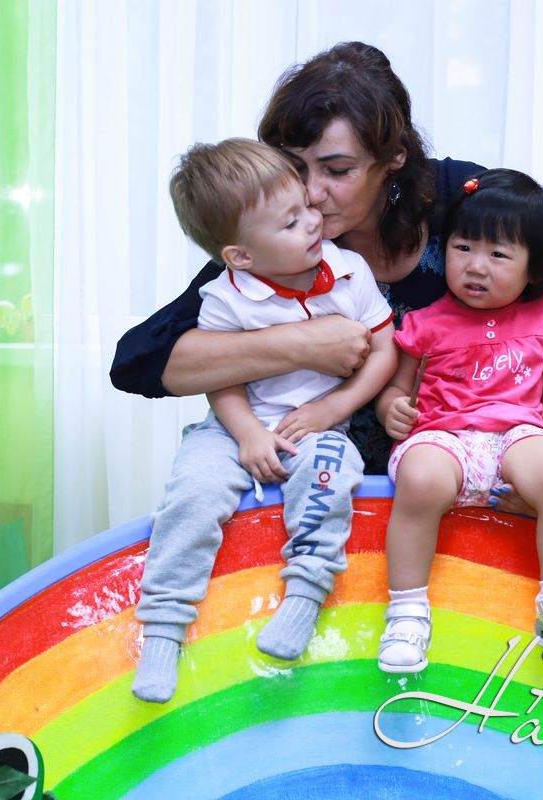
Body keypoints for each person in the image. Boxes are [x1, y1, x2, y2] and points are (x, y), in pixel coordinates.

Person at [109, 41, 543, 501]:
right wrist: (300, 344)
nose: (311, 193)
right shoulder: (283, 238)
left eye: (338, 170)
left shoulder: (461, 197)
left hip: (454, 481)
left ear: (395, 157)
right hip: (316, 483)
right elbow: (141, 361)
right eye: (295, 167)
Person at [132, 139, 397, 703]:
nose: (313, 220)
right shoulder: (224, 297)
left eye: (305, 206)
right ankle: (162, 628)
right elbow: (222, 378)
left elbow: (384, 350)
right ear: (241, 256)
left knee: (331, 478)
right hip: (232, 428)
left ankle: (304, 595)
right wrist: (248, 433)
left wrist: (334, 408)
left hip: (318, 426)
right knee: (193, 493)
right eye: (291, 221)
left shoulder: (349, 271)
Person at [375, 169, 543, 673]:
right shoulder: (425, 322)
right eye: (462, 248)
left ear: (534, 269)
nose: (475, 266)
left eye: (498, 255)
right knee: (420, 480)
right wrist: (391, 407)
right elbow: (396, 386)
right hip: (443, 435)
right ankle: (407, 612)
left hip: (517, 434)